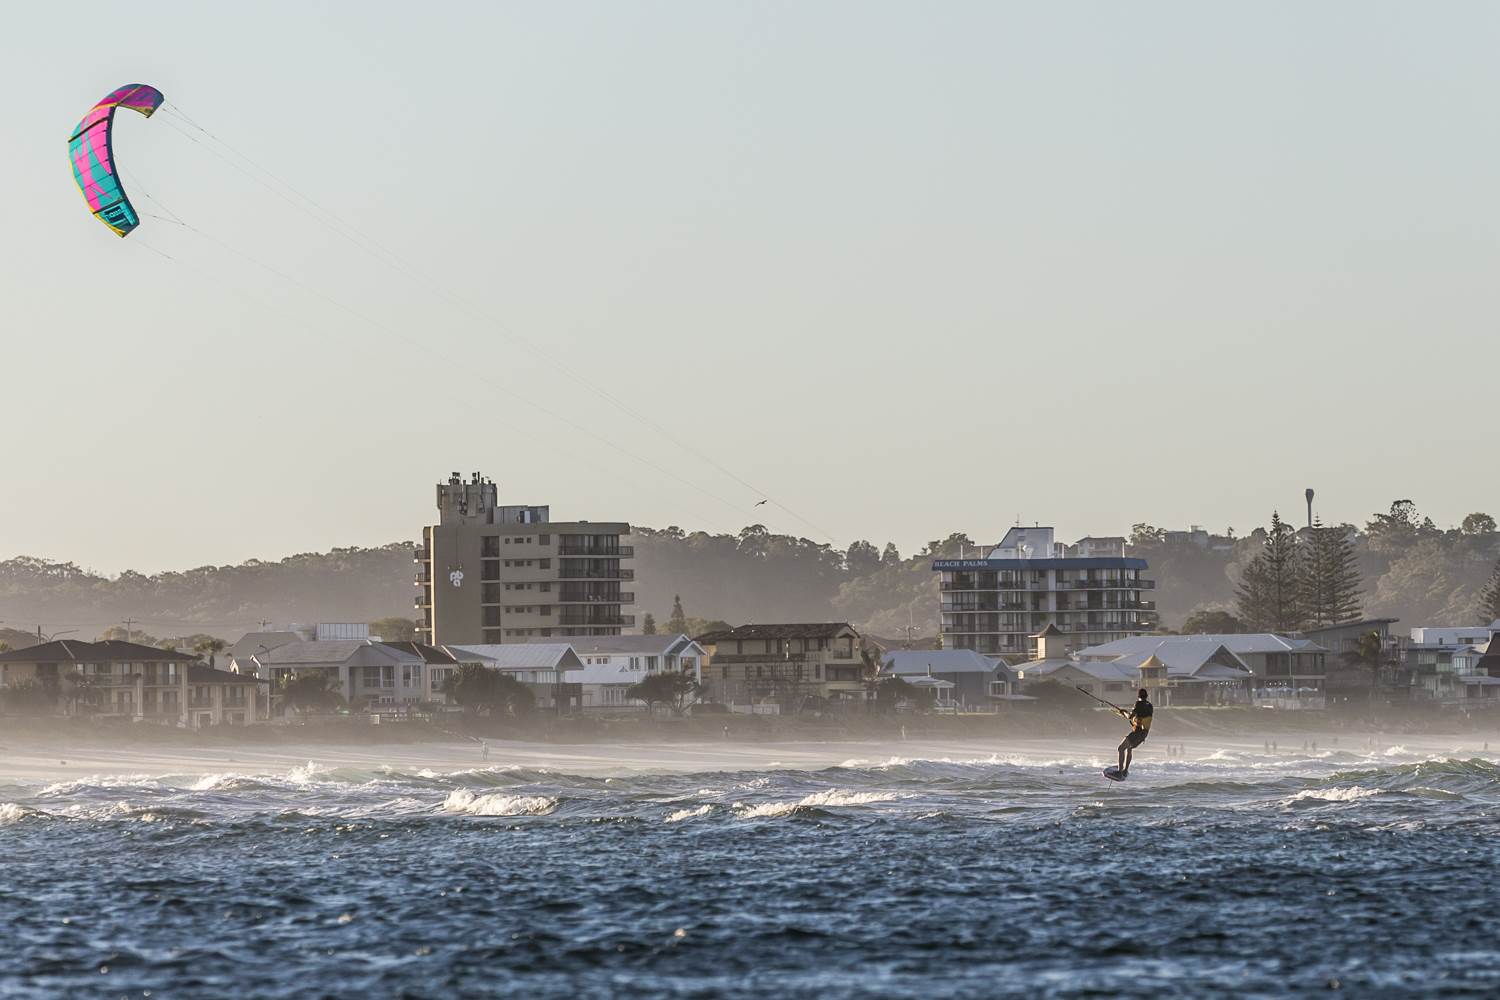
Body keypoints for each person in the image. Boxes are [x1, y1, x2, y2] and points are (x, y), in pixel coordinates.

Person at [1116, 688, 1153, 776]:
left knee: (1121, 748)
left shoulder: (1138, 703)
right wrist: (1125, 713)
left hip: (1137, 733)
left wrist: (1123, 712)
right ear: (1147, 696)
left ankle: (1119, 771)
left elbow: (1130, 716)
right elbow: (1140, 718)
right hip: (1144, 735)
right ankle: (1125, 770)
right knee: (1129, 748)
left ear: (1138, 696)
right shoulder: (1150, 706)